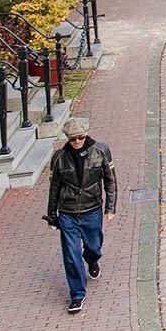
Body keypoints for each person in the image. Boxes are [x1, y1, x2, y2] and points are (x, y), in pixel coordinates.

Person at [43, 116, 116, 315]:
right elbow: (54, 187)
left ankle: (92, 260)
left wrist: (110, 207)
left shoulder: (101, 150)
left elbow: (110, 180)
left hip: (92, 209)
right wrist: (52, 215)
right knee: (70, 253)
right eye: (73, 138)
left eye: (80, 137)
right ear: (68, 138)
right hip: (67, 212)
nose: (77, 141)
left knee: (94, 245)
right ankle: (77, 293)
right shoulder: (59, 157)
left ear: (86, 135)